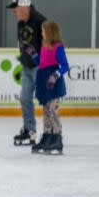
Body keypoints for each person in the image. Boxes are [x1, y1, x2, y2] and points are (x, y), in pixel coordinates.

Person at [7, 0, 46, 145]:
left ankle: (51, 131)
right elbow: (23, 43)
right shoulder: (20, 23)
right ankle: (30, 130)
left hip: (40, 66)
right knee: (24, 98)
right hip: (26, 66)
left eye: (15, 9)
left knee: (46, 99)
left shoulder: (41, 21)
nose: (13, 12)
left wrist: (44, 64)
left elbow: (48, 44)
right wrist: (24, 57)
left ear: (24, 7)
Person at [28, 20, 69, 154]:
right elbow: (41, 63)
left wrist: (55, 75)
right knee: (46, 111)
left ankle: (57, 138)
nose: (41, 33)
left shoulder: (58, 47)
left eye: (43, 31)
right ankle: (47, 136)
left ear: (50, 32)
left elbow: (65, 66)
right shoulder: (44, 46)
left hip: (53, 83)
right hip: (44, 81)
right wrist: (33, 54)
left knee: (53, 110)